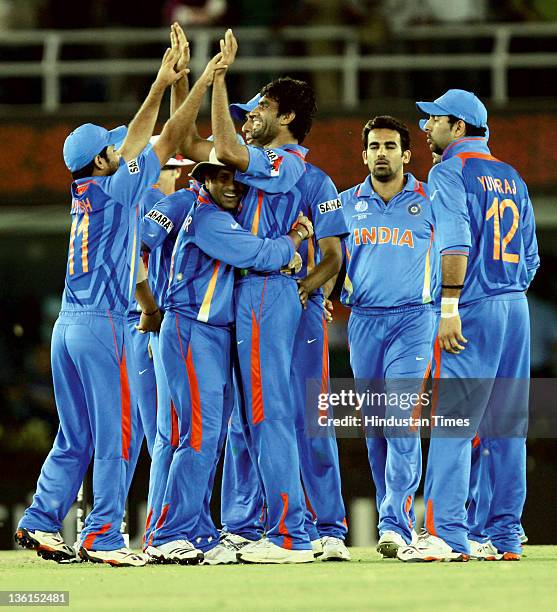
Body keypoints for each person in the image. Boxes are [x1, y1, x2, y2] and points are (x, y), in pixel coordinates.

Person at [13, 26, 217, 567]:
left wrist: (159, 82)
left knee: (74, 436)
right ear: (101, 163)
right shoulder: (118, 189)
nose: (120, 149)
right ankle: (103, 536)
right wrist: (195, 78)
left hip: (67, 327)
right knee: (120, 437)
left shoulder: (87, 190)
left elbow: (131, 146)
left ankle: (38, 521)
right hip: (104, 325)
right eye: (111, 149)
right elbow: (170, 137)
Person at [207, 30, 344, 564]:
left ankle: (314, 527)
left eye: (260, 106)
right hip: (254, 298)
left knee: (300, 415)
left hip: (288, 302)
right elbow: (205, 149)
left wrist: (304, 287)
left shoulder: (307, 176)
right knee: (253, 415)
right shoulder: (243, 173)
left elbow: (331, 255)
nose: (249, 117)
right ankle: (250, 522)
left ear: (286, 117)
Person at [398, 89, 539, 562]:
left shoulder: (448, 171)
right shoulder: (512, 176)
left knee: (455, 422)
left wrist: (450, 305)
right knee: (506, 425)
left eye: (434, 120)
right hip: (515, 304)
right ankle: (503, 536)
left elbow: (454, 242)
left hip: (472, 306)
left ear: (458, 127)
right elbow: (532, 255)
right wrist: (506, 288)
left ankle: (445, 535)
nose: (426, 129)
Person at [338, 115, 436, 558]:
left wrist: (453, 305)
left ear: (406, 155)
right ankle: (389, 516)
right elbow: (322, 253)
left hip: (414, 320)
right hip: (363, 321)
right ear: (364, 155)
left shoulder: (431, 199)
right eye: (374, 146)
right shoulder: (343, 204)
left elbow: (461, 250)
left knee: (400, 421)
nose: (382, 153)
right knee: (375, 428)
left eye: (390, 146)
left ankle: (396, 523)